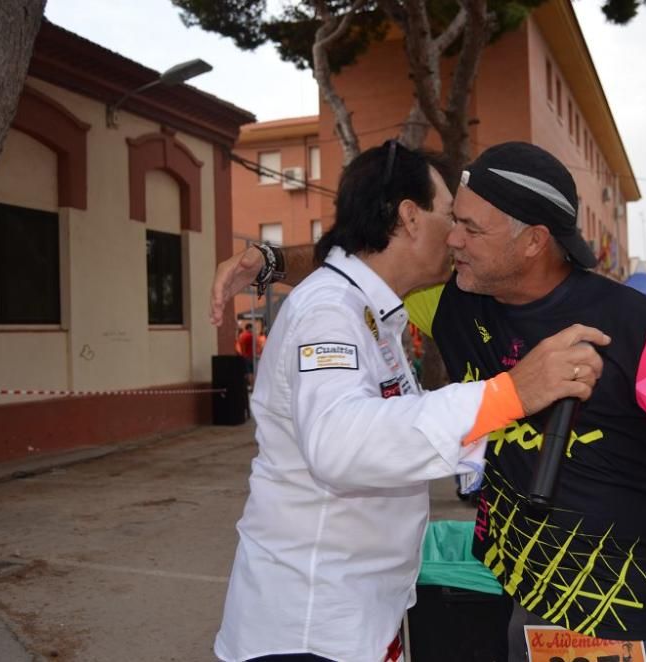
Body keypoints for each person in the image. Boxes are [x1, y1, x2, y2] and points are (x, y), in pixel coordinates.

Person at [213, 142, 646, 661]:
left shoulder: (634, 327)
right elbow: (369, 256)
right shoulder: (453, 299)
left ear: (532, 240)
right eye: (451, 219)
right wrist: (272, 261)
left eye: (470, 227)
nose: (452, 238)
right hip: (492, 594)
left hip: (610, 610)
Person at [210, 141, 608, 662]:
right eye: (451, 217)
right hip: (311, 627)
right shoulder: (328, 313)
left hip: (358, 616)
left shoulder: (370, 310)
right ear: (410, 217)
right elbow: (340, 442)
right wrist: (511, 392)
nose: (459, 235)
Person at [237, 323, 256, 387]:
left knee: (247, 372)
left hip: (244, 356)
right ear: (249, 328)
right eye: (252, 328)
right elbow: (255, 346)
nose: (253, 329)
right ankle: (253, 386)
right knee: (251, 372)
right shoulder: (250, 336)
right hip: (250, 356)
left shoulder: (242, 336)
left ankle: (249, 385)